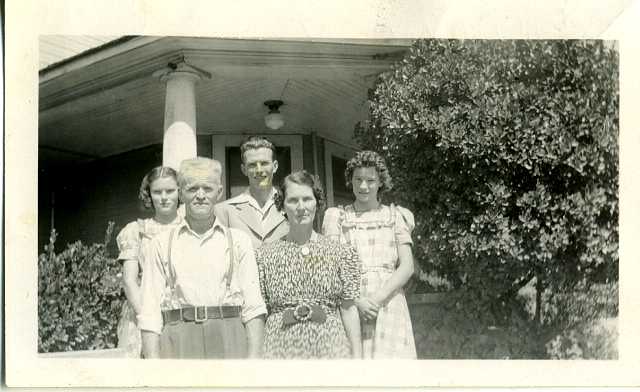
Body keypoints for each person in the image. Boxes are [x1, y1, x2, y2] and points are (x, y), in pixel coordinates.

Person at [137, 157, 266, 359]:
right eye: (192, 189)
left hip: (229, 337)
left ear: (219, 192)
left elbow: (254, 307)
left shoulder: (239, 241)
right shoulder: (161, 244)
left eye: (207, 188)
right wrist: (154, 367)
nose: (200, 195)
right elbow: (149, 313)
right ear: (181, 193)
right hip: (178, 340)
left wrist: (254, 361)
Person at [256, 170, 362, 359]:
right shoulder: (264, 256)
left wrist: (358, 358)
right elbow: (259, 313)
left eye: (307, 199)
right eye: (293, 200)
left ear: (317, 202)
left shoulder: (341, 253)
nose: (301, 207)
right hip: (279, 348)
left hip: (330, 347)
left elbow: (348, 308)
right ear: (282, 206)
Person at [322, 150, 417, 359]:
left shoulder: (395, 216)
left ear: (380, 181)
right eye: (358, 179)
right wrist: (358, 301)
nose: (364, 186)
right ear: (350, 181)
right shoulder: (337, 217)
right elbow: (331, 266)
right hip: (350, 305)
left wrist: (375, 299)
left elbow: (407, 266)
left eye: (370, 180)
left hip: (389, 302)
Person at [115, 166, 182, 358]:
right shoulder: (136, 230)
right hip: (143, 311)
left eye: (169, 191)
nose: (164, 197)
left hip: (180, 312)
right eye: (157, 192)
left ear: (179, 192)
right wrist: (148, 319)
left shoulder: (189, 229)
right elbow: (129, 281)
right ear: (149, 195)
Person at [214, 136, 288, 249]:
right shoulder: (225, 211)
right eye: (252, 165)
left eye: (264, 163)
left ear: (275, 166)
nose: (259, 170)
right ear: (244, 170)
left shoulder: (290, 205)